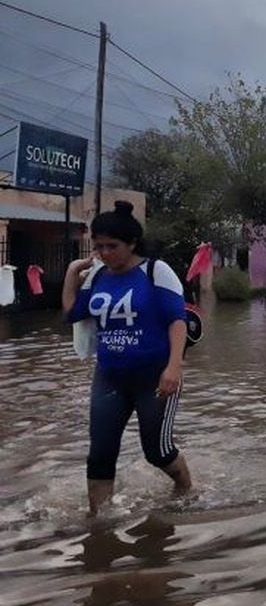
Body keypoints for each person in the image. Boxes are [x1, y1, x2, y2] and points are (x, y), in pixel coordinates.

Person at [61, 200, 192, 515]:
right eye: (99, 246)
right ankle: (98, 521)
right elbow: (71, 314)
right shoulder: (97, 277)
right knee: (101, 451)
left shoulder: (154, 271)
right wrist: (71, 274)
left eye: (112, 246)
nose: (104, 253)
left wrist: (173, 368)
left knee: (157, 452)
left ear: (132, 243)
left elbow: (178, 321)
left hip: (154, 376)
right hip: (110, 376)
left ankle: (186, 487)